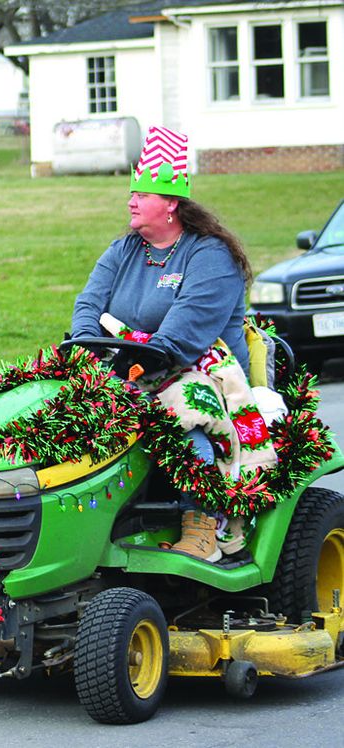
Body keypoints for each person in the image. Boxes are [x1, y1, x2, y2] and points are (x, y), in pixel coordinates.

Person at [70, 125, 272, 561]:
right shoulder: (124, 250)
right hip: (134, 367)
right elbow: (88, 305)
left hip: (203, 371)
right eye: (132, 192)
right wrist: (88, 346)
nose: (131, 201)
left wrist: (131, 367)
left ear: (171, 205)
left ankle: (202, 523)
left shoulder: (211, 256)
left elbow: (182, 337)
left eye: (142, 194)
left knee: (184, 409)